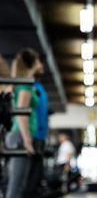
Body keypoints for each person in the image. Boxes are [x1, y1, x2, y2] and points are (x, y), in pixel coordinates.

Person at [5, 48, 43, 198]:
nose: (41, 63)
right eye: (38, 60)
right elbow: (21, 112)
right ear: (32, 63)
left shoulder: (22, 84)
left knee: (17, 185)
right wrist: (27, 141)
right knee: (17, 186)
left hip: (18, 135)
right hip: (20, 136)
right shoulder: (25, 85)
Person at [24, 65, 49, 198]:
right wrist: (27, 137)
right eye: (37, 62)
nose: (41, 65)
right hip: (33, 135)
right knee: (29, 179)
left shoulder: (39, 86)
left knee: (36, 176)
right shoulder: (29, 85)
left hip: (40, 136)